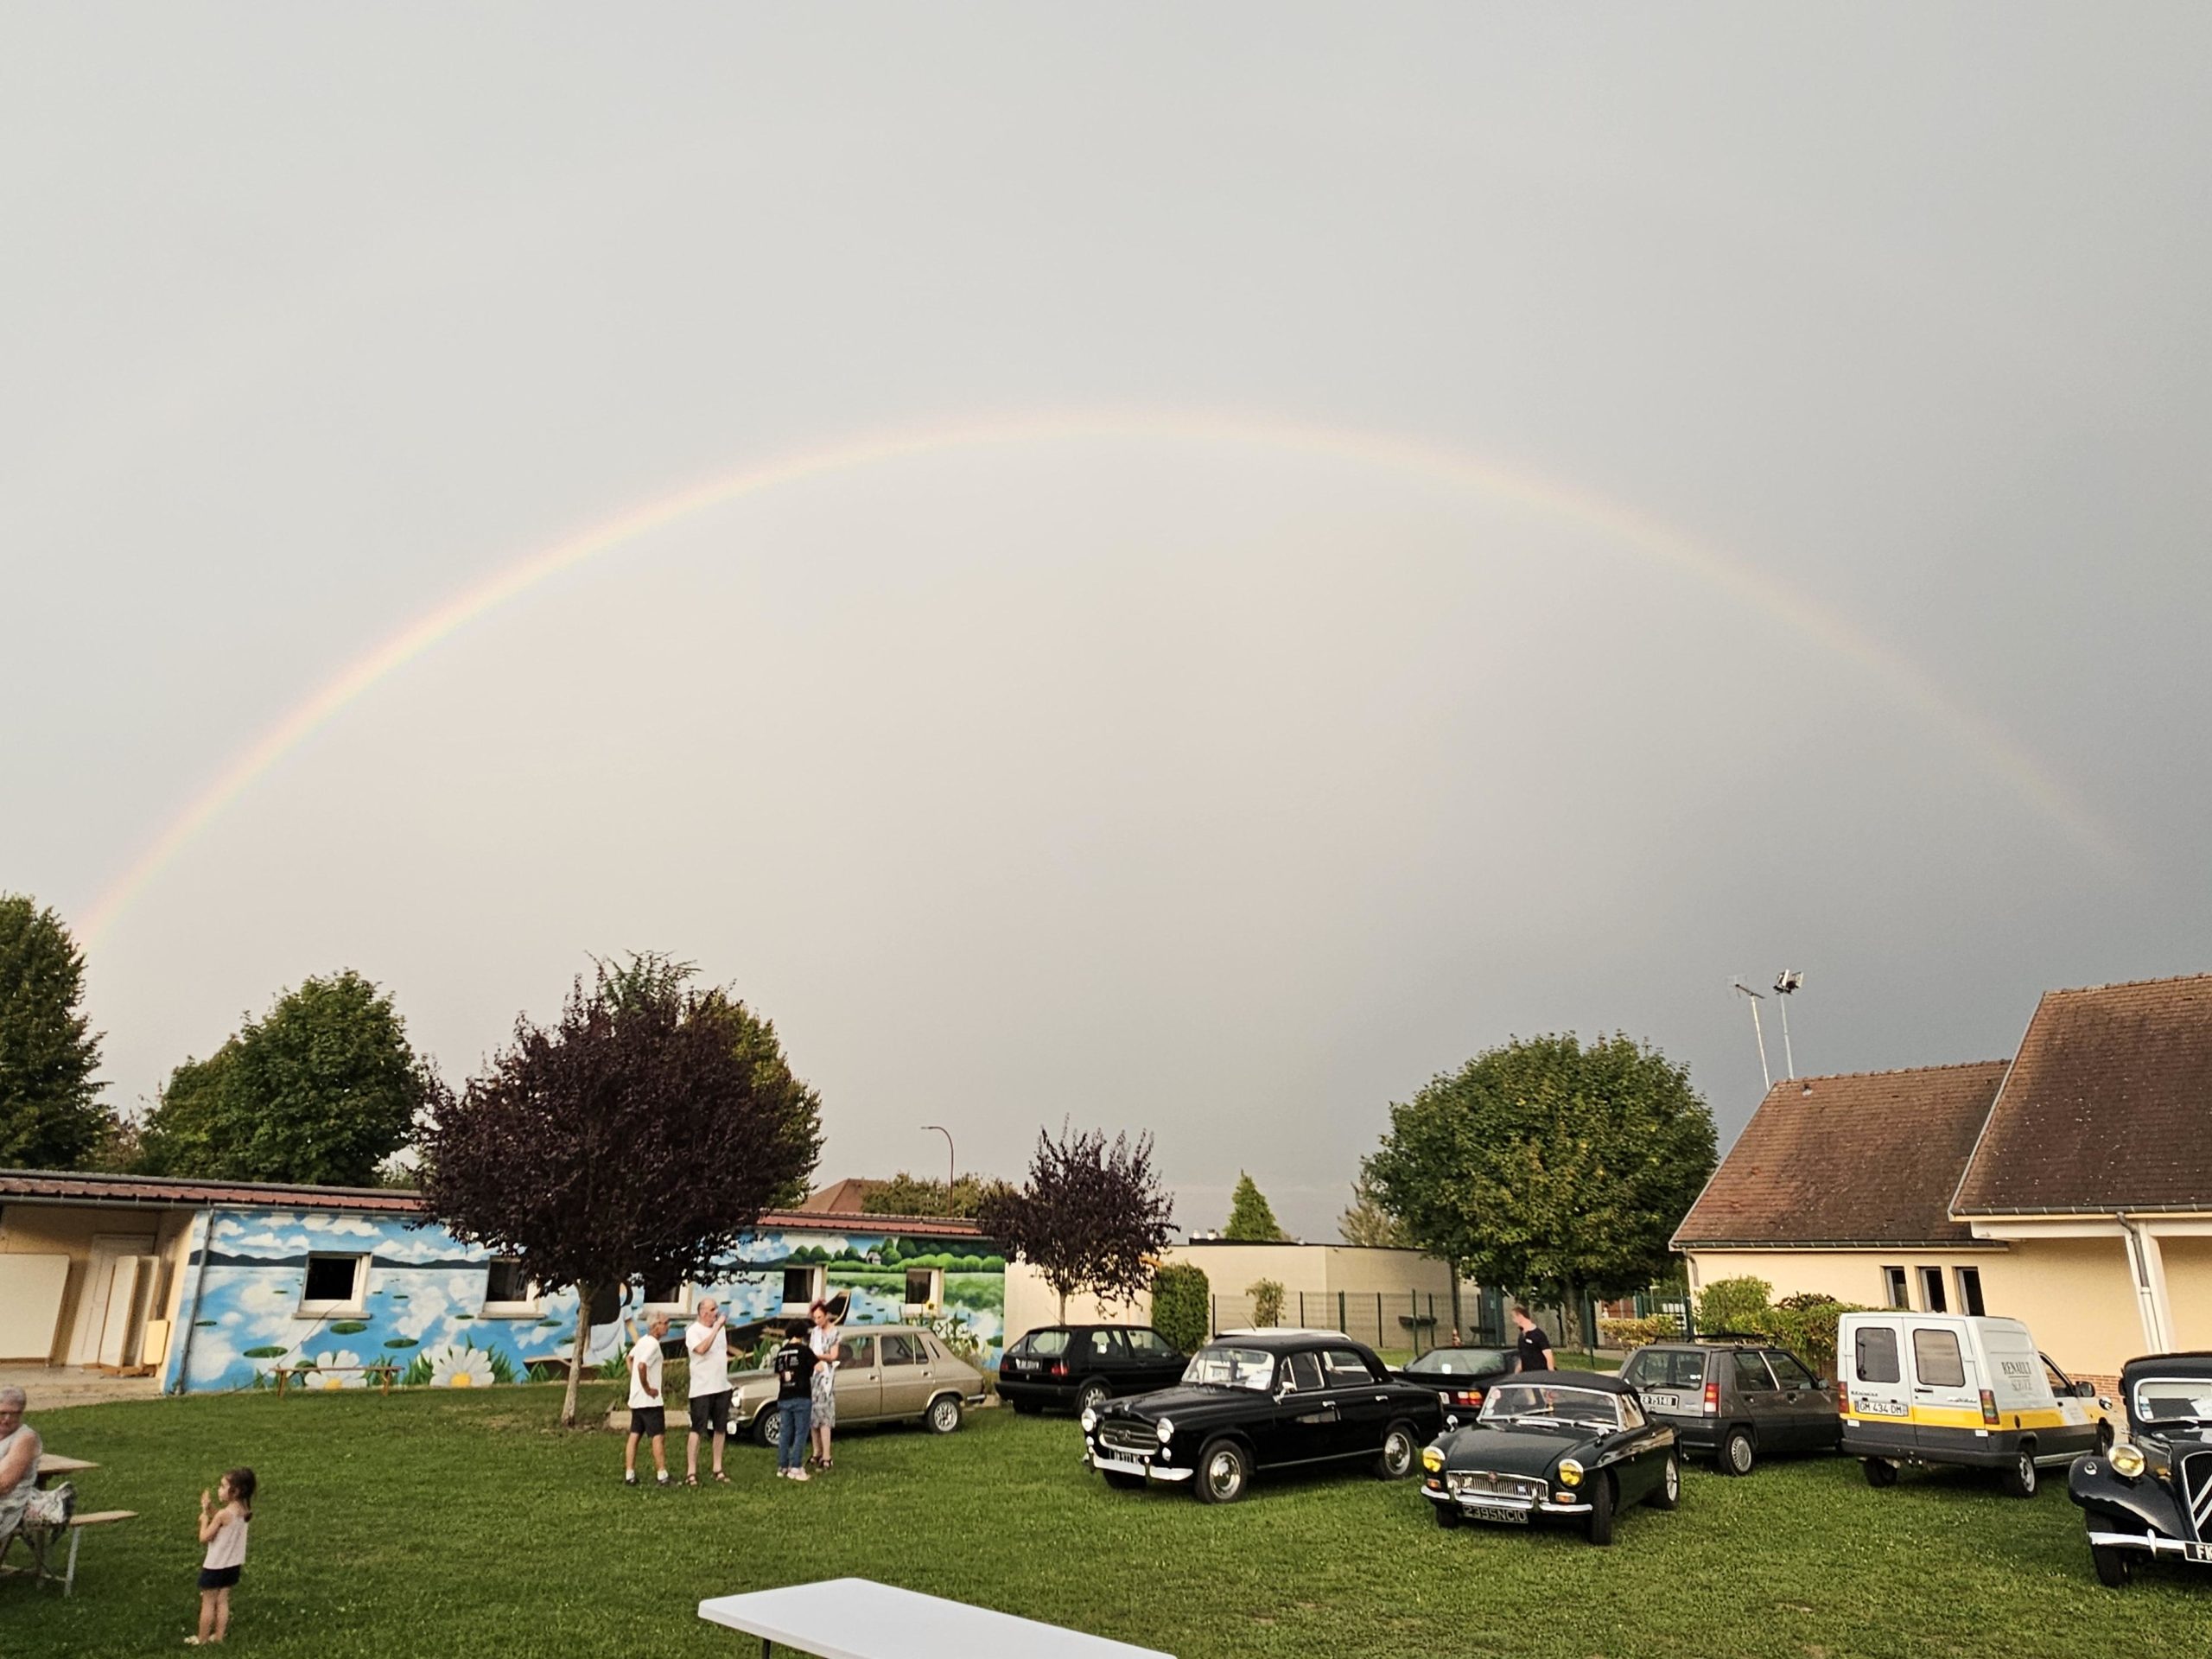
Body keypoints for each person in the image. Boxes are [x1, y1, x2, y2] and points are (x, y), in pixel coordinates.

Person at [188, 1466, 255, 1646]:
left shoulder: (223, 1515)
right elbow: (223, 1520)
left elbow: (204, 1537)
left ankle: (202, 1639)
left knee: (208, 1602)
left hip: (215, 1566)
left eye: (223, 1486)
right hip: (232, 1565)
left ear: (235, 1491)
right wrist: (210, 1508)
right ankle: (219, 1637)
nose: (219, 1489)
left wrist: (204, 1521)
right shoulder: (244, 1511)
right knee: (223, 1600)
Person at [684, 1298, 733, 1486]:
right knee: (697, 1428)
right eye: (713, 1309)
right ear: (703, 1312)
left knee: (720, 1428)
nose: (716, 1312)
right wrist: (716, 1328)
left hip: (721, 1386)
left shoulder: (721, 1330)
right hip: (702, 1388)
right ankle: (691, 1471)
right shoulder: (693, 1331)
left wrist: (719, 1328)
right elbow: (702, 1349)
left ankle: (717, 1468)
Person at [625, 1311, 671, 1487]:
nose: (668, 1326)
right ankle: (662, 1475)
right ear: (655, 1326)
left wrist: (635, 1381)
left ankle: (630, 1473)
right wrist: (647, 1388)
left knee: (634, 1435)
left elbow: (629, 1358)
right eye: (665, 1323)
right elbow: (641, 1365)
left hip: (637, 1400)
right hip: (650, 1400)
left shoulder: (642, 1341)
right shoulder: (653, 1345)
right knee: (658, 1436)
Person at [771, 1320, 817, 1482]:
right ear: (803, 1333)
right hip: (801, 1395)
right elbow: (818, 1367)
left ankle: (783, 1466)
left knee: (785, 1433)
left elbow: (778, 1374)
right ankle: (796, 1467)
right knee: (801, 1433)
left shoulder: (781, 1352)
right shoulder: (804, 1351)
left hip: (784, 1396)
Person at [0, 1388, 41, 1541]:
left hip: (6, 1506)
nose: (7, 1419)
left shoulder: (25, 1438)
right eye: (2, 1413)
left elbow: (5, 1484)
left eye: (14, 1414)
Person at [806, 1300, 842, 1471]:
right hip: (813, 1378)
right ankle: (816, 1451)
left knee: (825, 1418)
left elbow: (834, 1355)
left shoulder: (834, 1333)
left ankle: (827, 1455)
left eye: (820, 1317)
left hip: (826, 1379)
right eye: (815, 1318)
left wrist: (819, 1356)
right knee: (813, 1417)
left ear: (826, 1315)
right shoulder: (815, 1332)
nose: (817, 1320)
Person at [1510, 1305, 1554, 1373]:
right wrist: (1517, 1372)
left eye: (1514, 1317)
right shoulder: (1522, 1336)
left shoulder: (1538, 1334)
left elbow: (1548, 1354)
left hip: (1540, 1373)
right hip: (1527, 1374)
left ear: (1520, 1316)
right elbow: (1523, 1356)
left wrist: (1551, 1372)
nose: (1513, 1321)